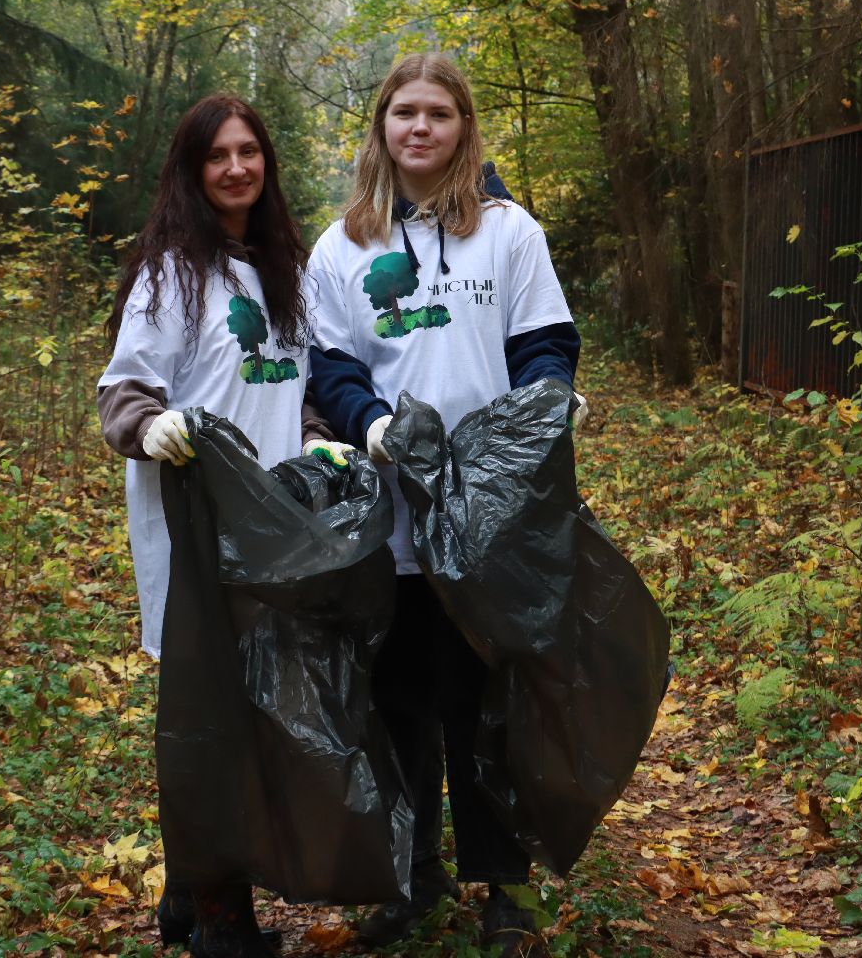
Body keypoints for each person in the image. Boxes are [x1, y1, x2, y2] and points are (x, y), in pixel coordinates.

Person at [306, 54, 584, 958]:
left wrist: (550, 401)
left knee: (485, 703)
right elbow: (332, 366)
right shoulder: (343, 245)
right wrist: (372, 424)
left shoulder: (506, 234)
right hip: (388, 516)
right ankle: (411, 877)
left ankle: (503, 889)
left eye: (437, 113)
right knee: (397, 706)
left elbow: (544, 342)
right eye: (403, 113)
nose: (419, 128)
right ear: (381, 127)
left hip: (489, 516)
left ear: (463, 127)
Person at [97, 93, 352, 958]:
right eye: (218, 155)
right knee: (210, 722)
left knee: (252, 712)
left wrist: (320, 446)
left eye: (250, 152)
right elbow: (122, 391)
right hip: (198, 525)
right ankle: (220, 922)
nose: (237, 167)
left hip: (271, 525)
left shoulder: (279, 265)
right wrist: (151, 428)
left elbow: (302, 387)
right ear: (191, 169)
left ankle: (184, 890)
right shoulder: (171, 270)